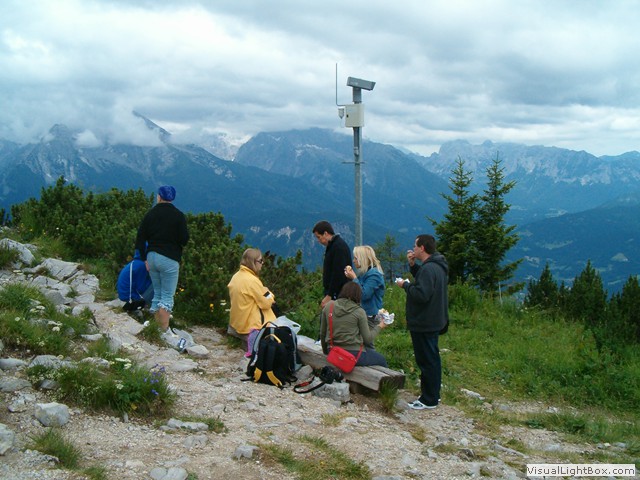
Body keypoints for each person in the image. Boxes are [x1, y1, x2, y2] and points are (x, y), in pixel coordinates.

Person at [396, 234, 449, 410]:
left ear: (422, 248)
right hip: (434, 319)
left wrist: (405, 285)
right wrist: (413, 266)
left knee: (426, 360)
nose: (413, 249)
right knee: (432, 358)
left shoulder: (429, 269)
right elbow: (426, 282)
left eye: (415, 246)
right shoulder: (437, 266)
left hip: (424, 321)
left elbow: (421, 294)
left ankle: (429, 399)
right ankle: (433, 394)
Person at [135, 185, 189, 337]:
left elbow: (140, 239)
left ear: (159, 197)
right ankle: (164, 332)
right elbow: (184, 239)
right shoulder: (178, 215)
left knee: (157, 293)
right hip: (169, 258)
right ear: (172, 198)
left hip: (152, 256)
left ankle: (155, 328)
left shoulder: (150, 214)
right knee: (167, 295)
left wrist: (144, 258)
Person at [319, 282, 388, 367]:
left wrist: (326, 352)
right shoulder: (359, 312)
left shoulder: (329, 306)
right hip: (353, 354)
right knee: (381, 360)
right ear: (358, 295)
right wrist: (380, 326)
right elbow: (367, 339)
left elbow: (322, 333)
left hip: (333, 350)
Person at [227, 248, 277, 352]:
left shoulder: (236, 276)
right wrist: (269, 293)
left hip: (237, 322)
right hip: (248, 325)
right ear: (253, 262)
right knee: (271, 310)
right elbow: (266, 304)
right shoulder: (252, 281)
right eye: (260, 261)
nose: (262, 263)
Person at [312, 220, 352, 309]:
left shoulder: (338, 247)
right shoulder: (333, 246)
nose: (318, 240)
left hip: (339, 293)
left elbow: (338, 273)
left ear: (325, 233)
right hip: (335, 292)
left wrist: (330, 294)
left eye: (319, 237)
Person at [344, 245, 385, 329]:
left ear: (362, 259)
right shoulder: (365, 273)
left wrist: (354, 278)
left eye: (355, 258)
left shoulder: (374, 275)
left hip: (370, 317)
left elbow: (364, 295)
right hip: (363, 314)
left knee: (367, 337)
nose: (353, 261)